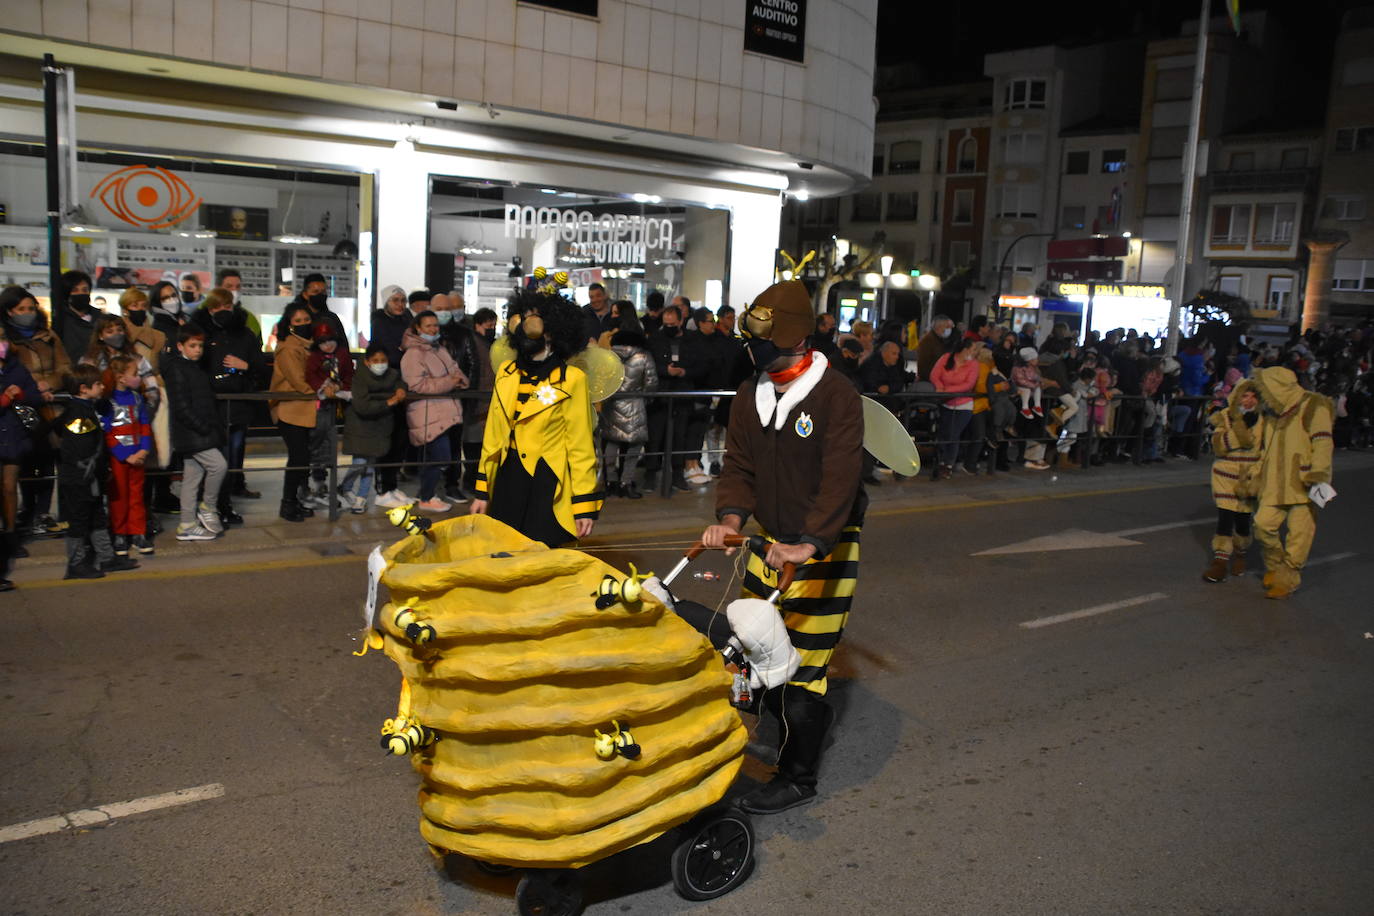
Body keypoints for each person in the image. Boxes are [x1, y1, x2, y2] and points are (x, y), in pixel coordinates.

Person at [701, 278, 865, 815]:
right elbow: (739, 466)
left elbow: (840, 480)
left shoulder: (835, 394)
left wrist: (809, 545)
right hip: (767, 541)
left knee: (803, 667)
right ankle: (775, 729)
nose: (751, 349)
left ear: (794, 339)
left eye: (762, 339)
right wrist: (728, 520)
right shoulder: (752, 394)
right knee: (754, 648)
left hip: (822, 547)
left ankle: (799, 777)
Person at [470, 290, 601, 547]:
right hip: (508, 480)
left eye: (533, 321)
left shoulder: (571, 379)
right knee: (502, 555)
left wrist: (583, 505)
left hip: (546, 482)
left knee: (543, 557)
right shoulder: (507, 373)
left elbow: (581, 446)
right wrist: (482, 492)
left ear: (552, 331)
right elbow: (493, 437)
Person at [1250, 366, 1335, 599]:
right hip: (1273, 484)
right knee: (1262, 525)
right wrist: (1255, 474)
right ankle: (1276, 567)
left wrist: (1318, 473)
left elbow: (1323, 442)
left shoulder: (1314, 405)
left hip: (1303, 483)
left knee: (1299, 535)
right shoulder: (1273, 413)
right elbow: (1265, 450)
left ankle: (1288, 579)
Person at [192, 287, 269, 515]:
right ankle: (216, 504)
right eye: (216, 307)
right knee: (218, 459)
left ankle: (226, 501)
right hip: (212, 406)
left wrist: (245, 366)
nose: (222, 311)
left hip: (238, 404)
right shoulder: (201, 335)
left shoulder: (245, 335)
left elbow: (262, 368)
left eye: (227, 306)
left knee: (234, 453)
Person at [56, 365, 137, 578]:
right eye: (98, 384)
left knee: (97, 516)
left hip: (88, 477)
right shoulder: (78, 413)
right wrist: (97, 469)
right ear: (83, 389)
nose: (103, 387)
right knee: (79, 520)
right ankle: (76, 563)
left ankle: (106, 557)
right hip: (79, 478)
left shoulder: (85, 408)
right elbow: (83, 450)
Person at [2, 285, 69, 537]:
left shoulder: (48, 336)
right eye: (22, 309)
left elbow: (65, 367)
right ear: (9, 312)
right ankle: (25, 513)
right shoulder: (6, 341)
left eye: (31, 308)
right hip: (20, 411)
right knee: (25, 464)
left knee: (49, 461)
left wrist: (49, 383)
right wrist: (30, 386)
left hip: (51, 409)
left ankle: (42, 513)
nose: (27, 313)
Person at [163, 326, 226, 542]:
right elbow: (181, 406)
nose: (198, 350)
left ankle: (187, 524)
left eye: (200, 345)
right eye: (193, 346)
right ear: (180, 346)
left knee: (192, 478)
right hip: (194, 432)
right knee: (218, 465)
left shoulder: (192, 367)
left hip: (195, 431)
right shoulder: (178, 368)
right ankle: (208, 506)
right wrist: (203, 427)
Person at [401, 310, 467, 513]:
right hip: (427, 412)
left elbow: (455, 370)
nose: (433, 329)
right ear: (417, 329)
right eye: (428, 326)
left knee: (440, 456)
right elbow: (418, 385)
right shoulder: (413, 354)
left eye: (435, 325)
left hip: (444, 411)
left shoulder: (439, 349)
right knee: (440, 455)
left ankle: (427, 494)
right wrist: (450, 382)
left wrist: (459, 380)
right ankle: (427, 496)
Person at [1203, 379, 1263, 582]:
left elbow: (1266, 451)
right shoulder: (1225, 416)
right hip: (1225, 475)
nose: (1249, 400)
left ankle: (1241, 553)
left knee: (1243, 521)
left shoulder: (1265, 421)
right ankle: (1220, 562)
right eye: (1245, 395)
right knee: (1225, 518)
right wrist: (1241, 431)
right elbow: (1219, 445)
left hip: (1249, 477)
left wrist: (1258, 475)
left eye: (1254, 396)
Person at [340, 344, 407, 513]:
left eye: (383, 360)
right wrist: (389, 402)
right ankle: (345, 486)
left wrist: (401, 389)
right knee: (360, 462)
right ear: (367, 362)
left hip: (380, 426)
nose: (380, 364)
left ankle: (361, 499)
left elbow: (399, 381)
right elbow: (362, 406)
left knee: (370, 463)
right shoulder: (360, 378)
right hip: (361, 426)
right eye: (375, 360)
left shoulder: (392, 375)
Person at [270, 303, 320, 522]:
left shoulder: (308, 345)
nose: (303, 325)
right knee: (298, 457)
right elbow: (298, 381)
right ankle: (287, 503)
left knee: (302, 457)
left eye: (306, 320)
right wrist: (322, 392)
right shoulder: (290, 347)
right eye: (298, 321)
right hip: (291, 407)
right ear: (289, 325)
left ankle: (293, 501)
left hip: (302, 407)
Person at [100, 355, 154, 557]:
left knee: (137, 496)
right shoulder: (108, 402)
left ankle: (138, 532)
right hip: (119, 459)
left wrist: (144, 449)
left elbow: (145, 425)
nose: (139, 377)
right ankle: (120, 533)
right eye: (135, 374)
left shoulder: (138, 398)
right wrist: (124, 455)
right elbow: (107, 432)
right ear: (121, 377)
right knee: (118, 497)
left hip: (137, 456)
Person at [602, 310, 659, 499]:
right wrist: (645, 399)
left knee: (611, 443)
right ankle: (626, 483)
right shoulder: (644, 356)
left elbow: (601, 381)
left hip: (612, 404)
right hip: (635, 405)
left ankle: (610, 481)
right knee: (634, 448)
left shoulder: (609, 356)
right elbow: (651, 384)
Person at [1, 323, 44, 570]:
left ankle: (10, 534)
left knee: (9, 486)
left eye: (3, 338)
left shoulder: (17, 367)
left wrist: (20, 395)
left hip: (13, 434)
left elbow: (34, 396)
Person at [301, 322, 354, 509]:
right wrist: (325, 387)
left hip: (338, 405)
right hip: (319, 405)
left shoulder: (343, 355)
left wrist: (339, 386)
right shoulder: (314, 357)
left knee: (330, 443)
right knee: (317, 441)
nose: (328, 345)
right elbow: (310, 376)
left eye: (330, 340)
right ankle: (314, 482)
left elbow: (349, 376)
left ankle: (322, 483)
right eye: (323, 342)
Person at [929, 336, 983, 479]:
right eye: (972, 349)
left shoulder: (973, 364)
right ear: (965, 349)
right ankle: (940, 461)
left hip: (963, 404)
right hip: (945, 402)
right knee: (943, 432)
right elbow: (934, 375)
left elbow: (968, 384)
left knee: (953, 433)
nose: (974, 353)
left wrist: (947, 389)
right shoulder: (946, 358)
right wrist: (940, 387)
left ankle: (948, 464)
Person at [53, 270, 97, 363]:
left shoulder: (100, 318)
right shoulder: (60, 322)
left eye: (85, 290)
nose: (81, 293)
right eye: (75, 290)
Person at [369, 284, 411, 366]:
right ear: (386, 302)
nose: (400, 304)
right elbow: (391, 355)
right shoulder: (379, 323)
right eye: (395, 300)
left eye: (403, 300)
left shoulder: (407, 320)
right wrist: (402, 348)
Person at [915, 314, 954, 382]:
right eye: (947, 327)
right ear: (938, 327)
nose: (949, 330)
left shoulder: (939, 339)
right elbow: (923, 367)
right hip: (929, 381)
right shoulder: (928, 341)